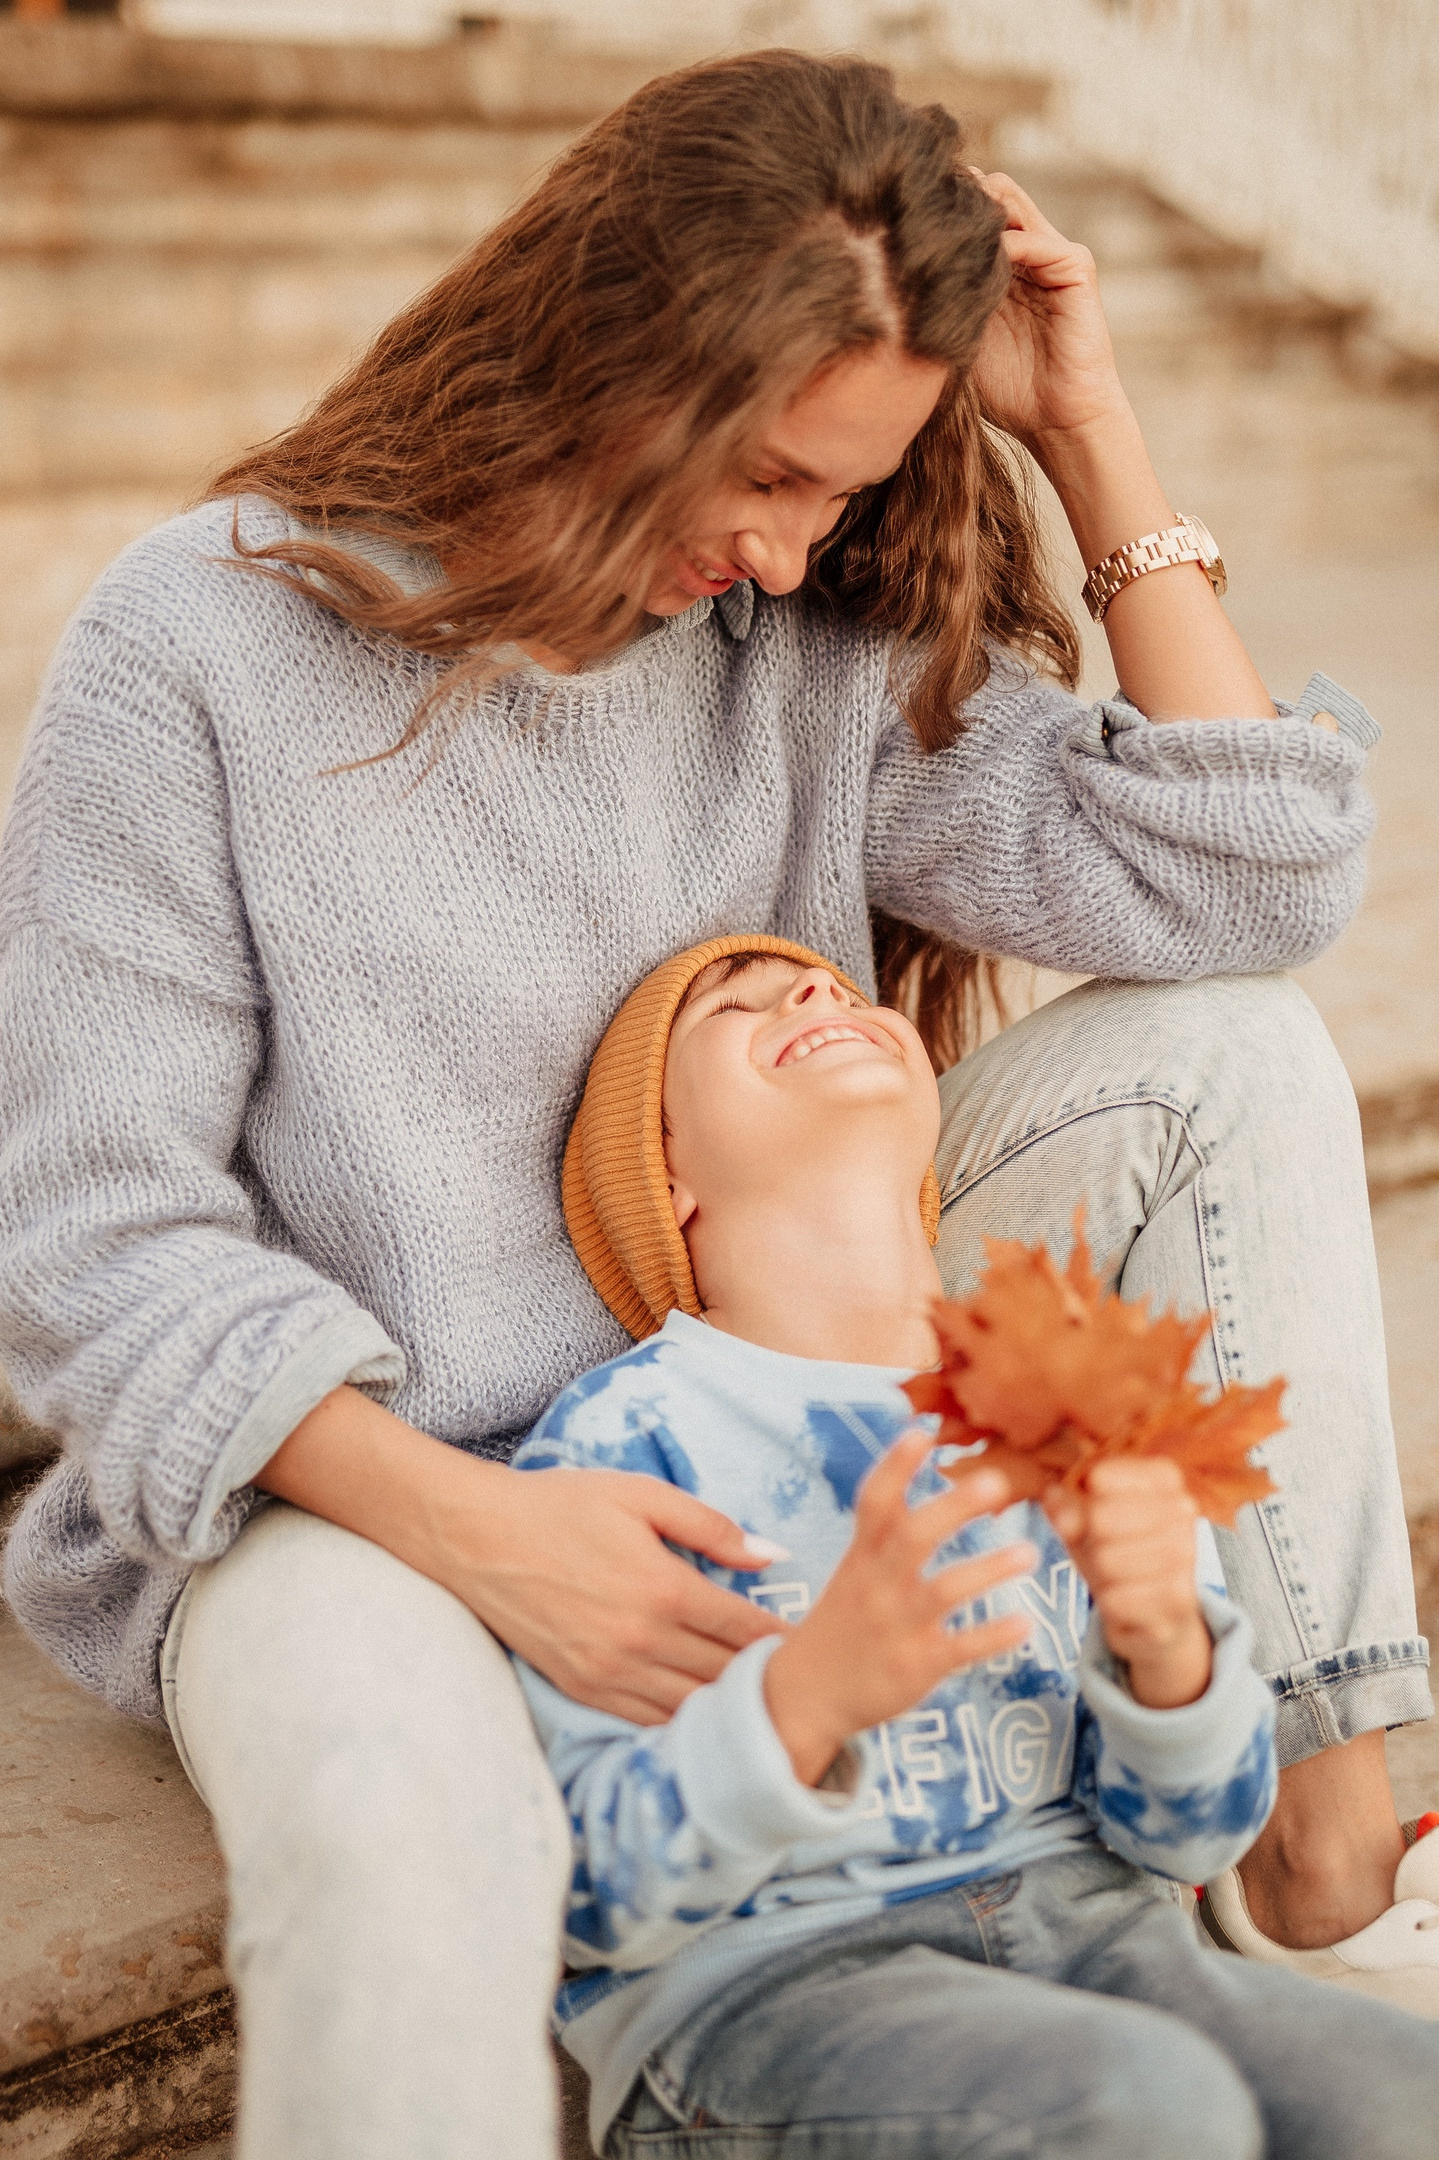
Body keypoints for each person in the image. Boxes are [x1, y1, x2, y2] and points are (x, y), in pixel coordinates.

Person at [0, 47, 1427, 2160]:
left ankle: (1312, 1821)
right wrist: (490, 1535)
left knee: (1230, 1045)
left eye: (840, 493)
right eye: (760, 473)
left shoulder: (798, 645)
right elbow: (92, 1242)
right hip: (359, 1476)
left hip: (764, 1341)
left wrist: (1090, 438)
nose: (780, 551)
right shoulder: (199, 642)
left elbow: (1248, 881)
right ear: (613, 358)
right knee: (398, 1834)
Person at [511, 932, 1439, 2157]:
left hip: (1104, 1941)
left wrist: (1169, 1651)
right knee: (1142, 2103)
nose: (811, 987)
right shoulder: (621, 1442)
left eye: (833, 987)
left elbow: (1190, 1836)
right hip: (773, 1994)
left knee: (1400, 2094)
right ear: (662, 1176)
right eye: (734, 1010)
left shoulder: (1065, 1403)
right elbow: (586, 1898)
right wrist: (803, 1699)